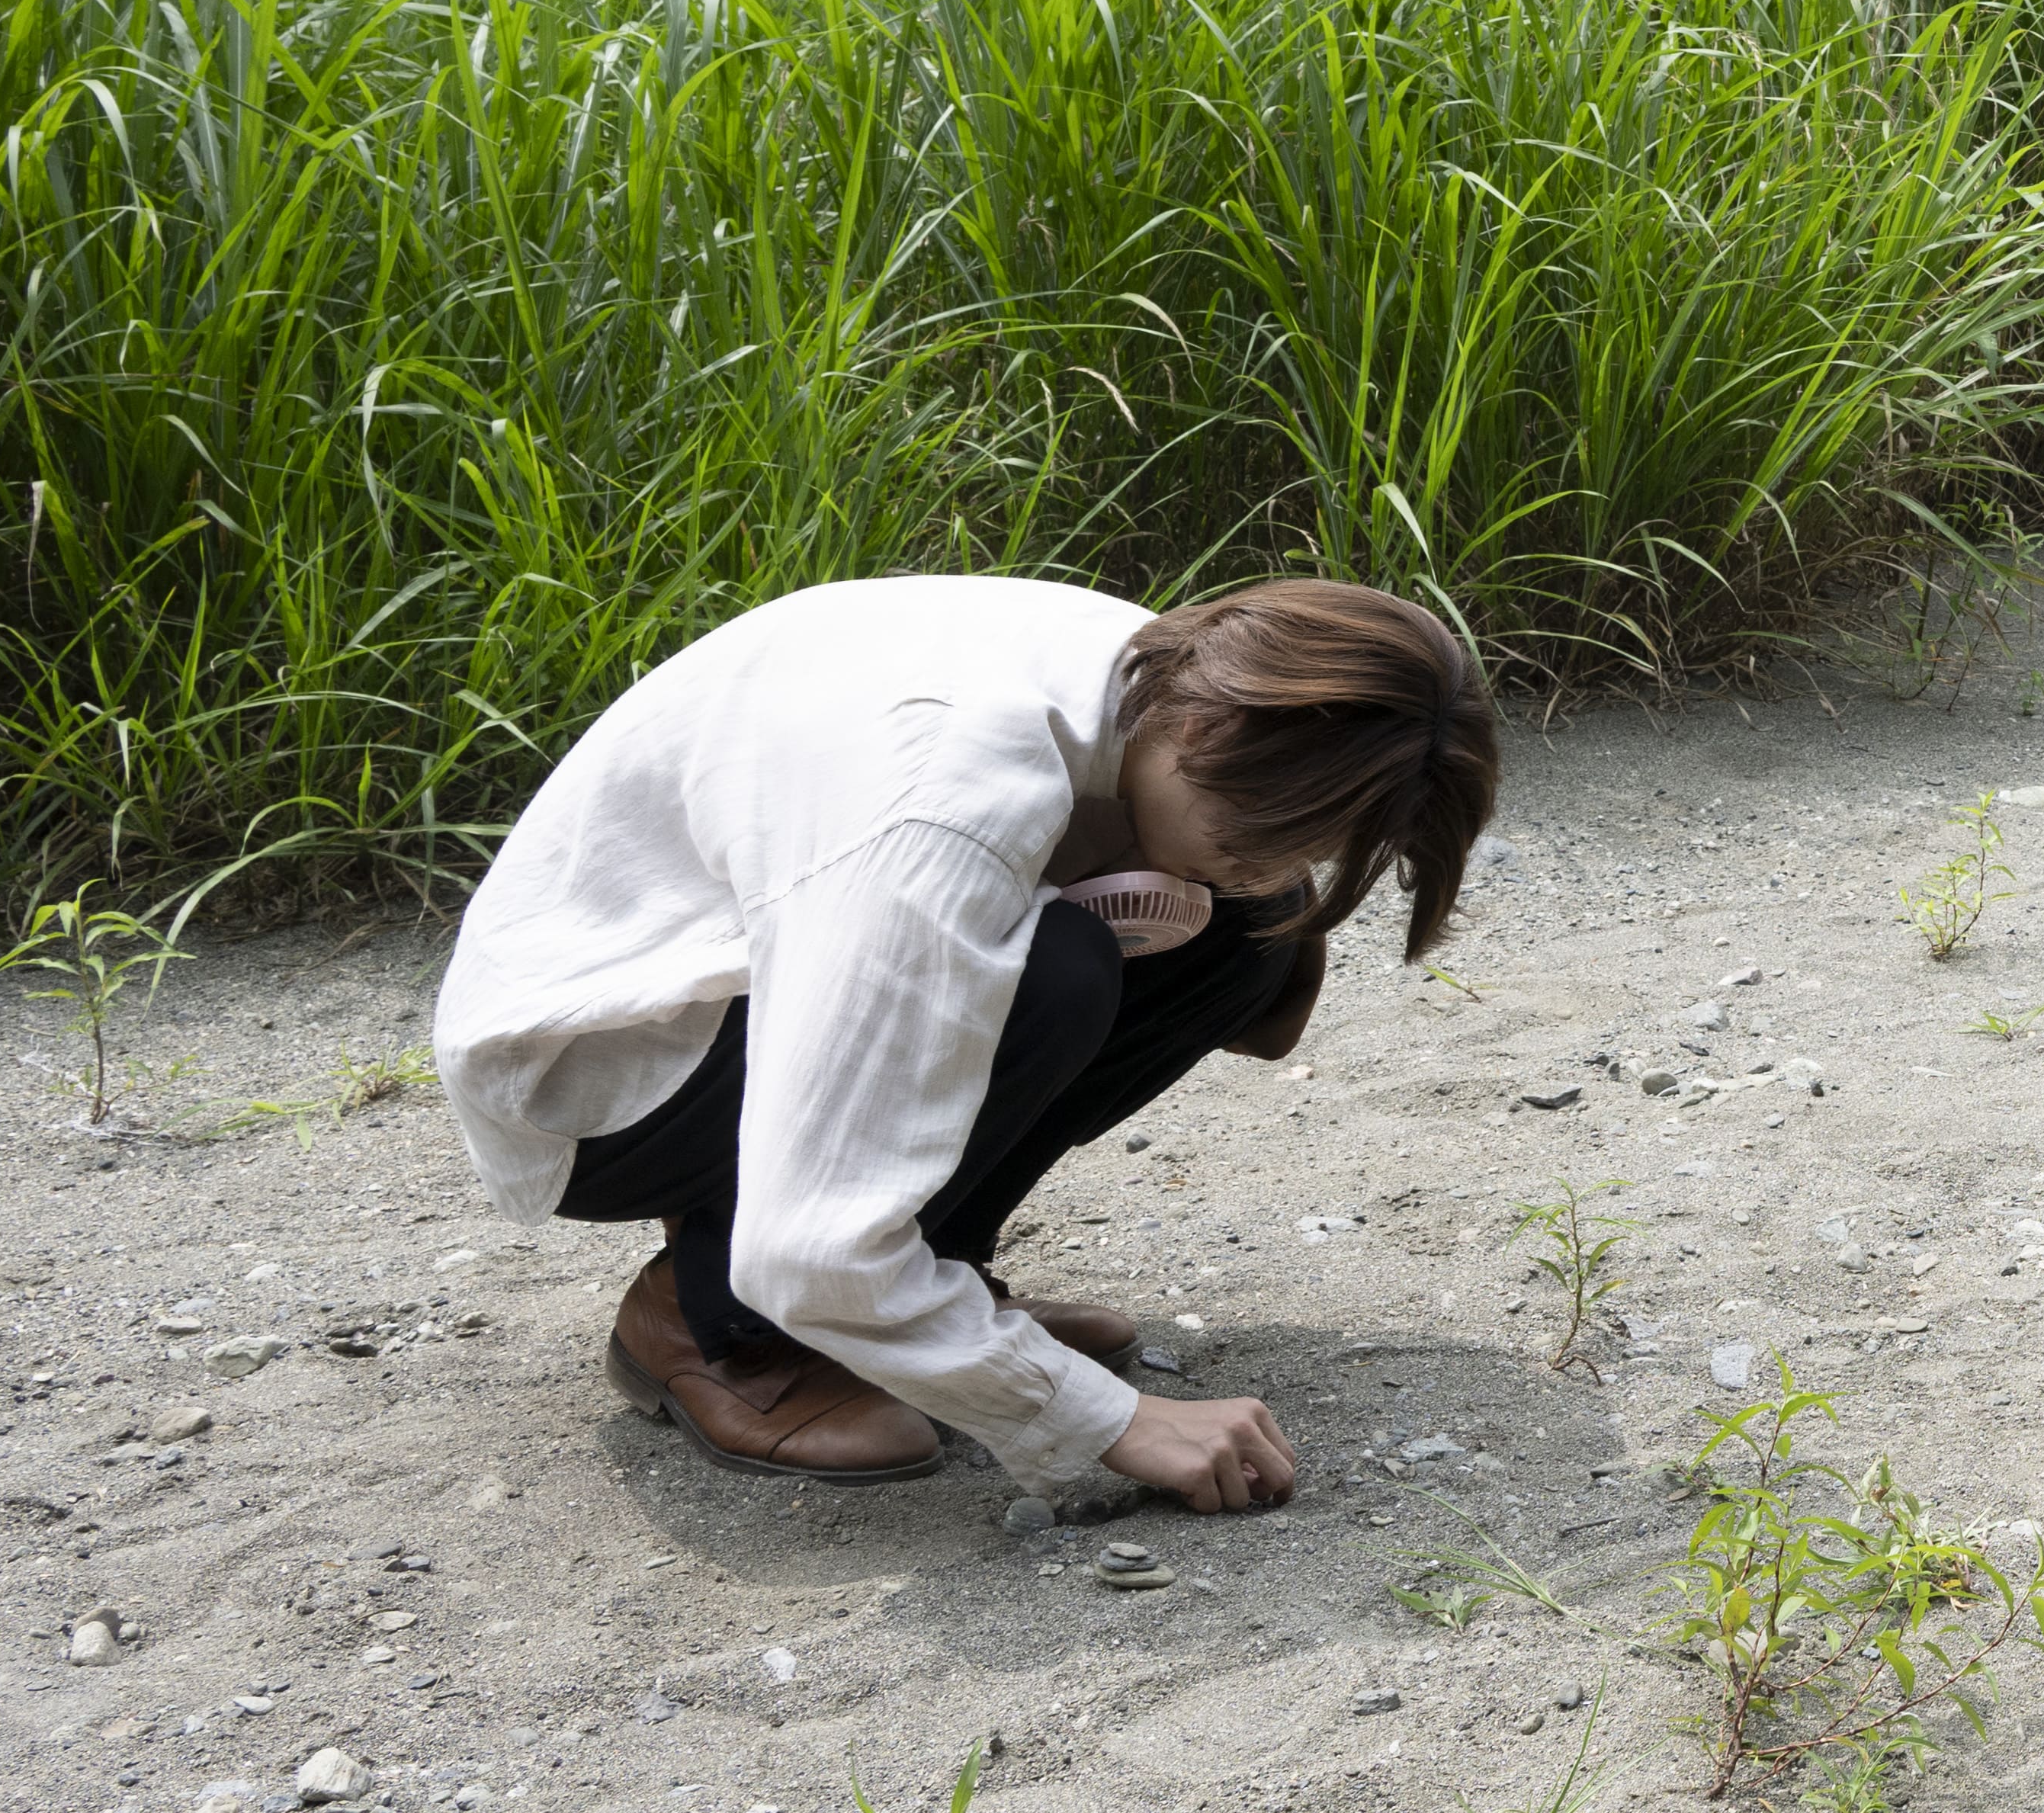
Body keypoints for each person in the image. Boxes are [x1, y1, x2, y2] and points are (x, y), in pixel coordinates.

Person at [435, 575, 1500, 1508]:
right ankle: (724, 1321)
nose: (1280, 858)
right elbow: (808, 1248)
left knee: (1243, 925)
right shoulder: (945, 804)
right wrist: (1107, 1418)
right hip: (600, 1061)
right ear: (1207, 733)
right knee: (1058, 970)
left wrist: (1254, 898)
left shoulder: (1175, 674)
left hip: (752, 956)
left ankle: (928, 1273)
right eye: (1272, 829)